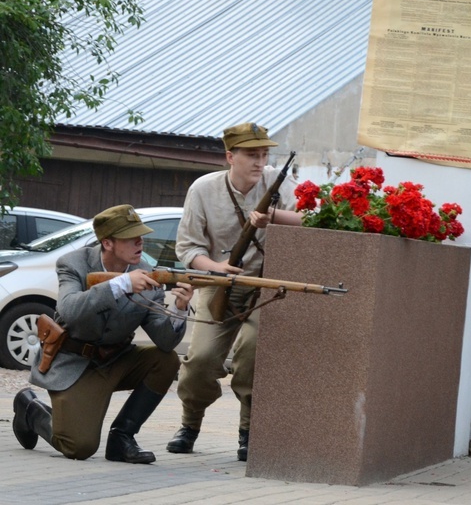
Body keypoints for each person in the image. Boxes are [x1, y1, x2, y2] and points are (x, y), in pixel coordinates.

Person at [12, 204, 194, 464]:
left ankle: (122, 438)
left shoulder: (146, 272)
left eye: (141, 235)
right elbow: (69, 311)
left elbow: (165, 341)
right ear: (107, 242)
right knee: (78, 447)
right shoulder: (74, 263)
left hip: (116, 360)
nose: (140, 241)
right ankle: (31, 410)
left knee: (165, 360)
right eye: (132, 236)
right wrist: (120, 285)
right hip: (74, 365)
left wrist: (179, 307)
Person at [167, 122, 302, 461]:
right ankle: (189, 425)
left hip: (267, 286)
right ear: (230, 156)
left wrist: (273, 216)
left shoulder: (279, 184)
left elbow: (312, 219)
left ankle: (248, 433)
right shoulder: (203, 189)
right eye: (252, 155)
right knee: (200, 361)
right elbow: (188, 248)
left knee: (251, 357)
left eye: (264, 155)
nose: (260, 162)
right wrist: (217, 268)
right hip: (220, 284)